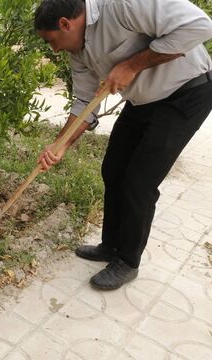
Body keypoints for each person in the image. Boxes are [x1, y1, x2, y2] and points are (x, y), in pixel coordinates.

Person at [34, 0, 212, 290]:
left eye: (53, 41)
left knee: (139, 182)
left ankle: (128, 261)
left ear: (66, 23)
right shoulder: (77, 52)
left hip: (186, 94)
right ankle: (111, 245)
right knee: (113, 169)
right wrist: (60, 144)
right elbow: (84, 102)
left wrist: (131, 65)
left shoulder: (123, 6)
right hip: (142, 101)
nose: (54, 50)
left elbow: (201, 26)